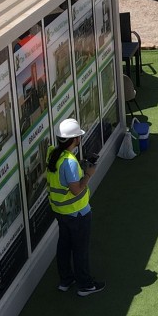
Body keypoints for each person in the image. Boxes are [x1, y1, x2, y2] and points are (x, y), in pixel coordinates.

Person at [47, 118, 104, 295]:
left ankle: (66, 280)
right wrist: (88, 174)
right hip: (77, 213)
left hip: (60, 211)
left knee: (64, 246)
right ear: (75, 140)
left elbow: (62, 179)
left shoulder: (53, 154)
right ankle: (85, 285)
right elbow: (76, 190)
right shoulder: (69, 162)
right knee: (80, 250)